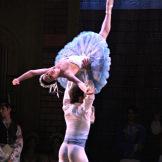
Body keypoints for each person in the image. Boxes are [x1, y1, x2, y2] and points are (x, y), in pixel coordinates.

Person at [12, 0, 114, 95]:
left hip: (80, 53)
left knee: (101, 35)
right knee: (102, 35)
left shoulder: (52, 68)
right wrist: (86, 90)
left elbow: (32, 72)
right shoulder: (67, 74)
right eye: (51, 76)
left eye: (47, 74)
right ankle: (108, 9)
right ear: (56, 78)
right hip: (88, 60)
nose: (50, 72)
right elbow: (78, 82)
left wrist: (18, 79)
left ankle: (108, 8)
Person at [58, 81, 95, 162]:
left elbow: (67, 92)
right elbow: (91, 96)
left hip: (64, 148)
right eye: (84, 95)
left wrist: (72, 79)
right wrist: (89, 80)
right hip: (77, 148)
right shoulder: (84, 109)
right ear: (80, 98)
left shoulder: (66, 107)